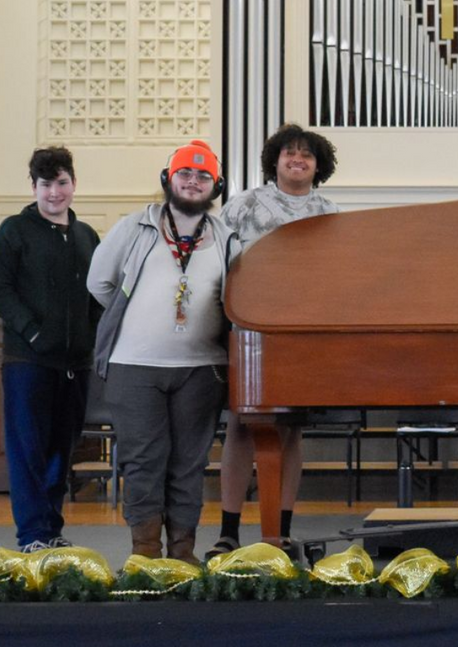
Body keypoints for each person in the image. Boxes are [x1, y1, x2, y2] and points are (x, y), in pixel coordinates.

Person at [88, 140, 230, 563]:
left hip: (202, 368)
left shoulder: (225, 236)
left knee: (189, 464)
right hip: (135, 366)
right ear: (169, 179)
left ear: (215, 185)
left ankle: (183, 555)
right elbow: (99, 284)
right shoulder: (134, 227)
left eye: (203, 176)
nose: (193, 181)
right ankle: (145, 556)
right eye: (185, 173)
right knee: (144, 461)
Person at [209, 124, 340, 559]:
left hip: (303, 335)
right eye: (290, 153)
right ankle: (229, 530)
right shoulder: (245, 204)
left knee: (291, 433)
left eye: (306, 154)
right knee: (242, 428)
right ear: (275, 160)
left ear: (318, 165)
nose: (297, 160)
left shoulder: (328, 211)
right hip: (250, 330)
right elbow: (217, 263)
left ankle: (279, 530)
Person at [0, 146, 101, 553]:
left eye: (62, 182)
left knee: (61, 453)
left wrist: (91, 337)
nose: (55, 192)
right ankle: (32, 534)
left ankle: (52, 530)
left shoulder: (87, 235)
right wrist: (32, 332)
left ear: (74, 183)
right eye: (46, 184)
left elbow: (98, 295)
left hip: (76, 364)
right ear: (33, 186)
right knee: (28, 453)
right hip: (28, 360)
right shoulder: (14, 230)